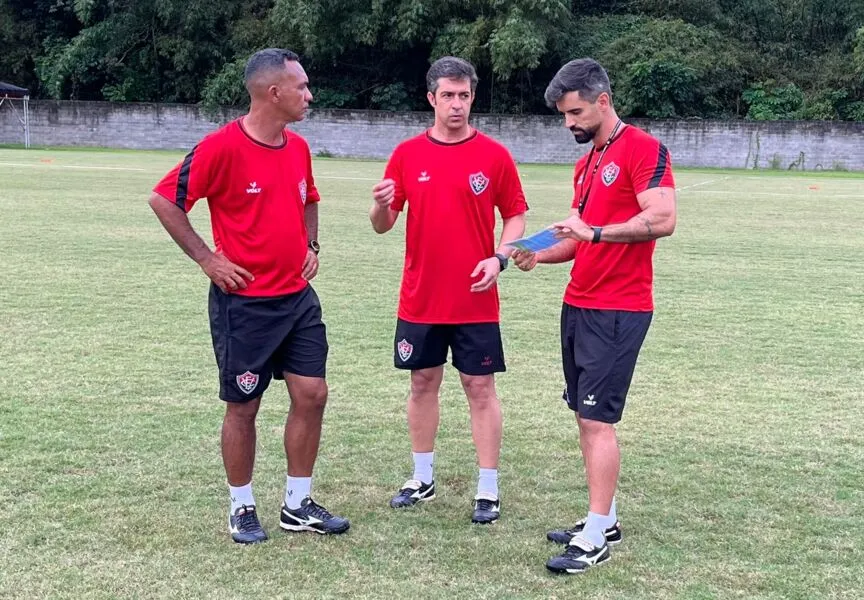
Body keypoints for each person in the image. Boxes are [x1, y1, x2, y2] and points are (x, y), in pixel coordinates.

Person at [148, 48, 349, 544]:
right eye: (301, 87)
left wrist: (312, 245)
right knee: (245, 405)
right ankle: (241, 506)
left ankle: (298, 503)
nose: (309, 94)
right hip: (245, 303)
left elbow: (309, 198)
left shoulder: (298, 147)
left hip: (298, 298)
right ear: (272, 92)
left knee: (312, 394)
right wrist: (207, 259)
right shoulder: (221, 147)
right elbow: (163, 199)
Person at [511, 58, 676, 573]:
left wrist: (596, 234)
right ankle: (607, 520)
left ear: (603, 100)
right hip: (579, 301)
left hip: (618, 308)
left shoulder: (643, 148)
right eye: (564, 115)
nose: (569, 124)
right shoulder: (586, 163)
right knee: (584, 416)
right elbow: (577, 240)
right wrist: (536, 253)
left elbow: (662, 218)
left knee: (597, 420)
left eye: (575, 112)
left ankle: (596, 537)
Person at [369, 56, 528, 524]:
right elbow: (383, 225)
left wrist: (499, 257)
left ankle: (487, 488)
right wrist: (379, 207)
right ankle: (422, 478)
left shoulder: (494, 155)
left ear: (472, 97)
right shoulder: (406, 154)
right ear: (431, 99)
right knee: (423, 382)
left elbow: (515, 213)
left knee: (480, 387)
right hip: (421, 297)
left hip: (475, 297)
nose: (456, 105)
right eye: (448, 96)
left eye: (464, 96)